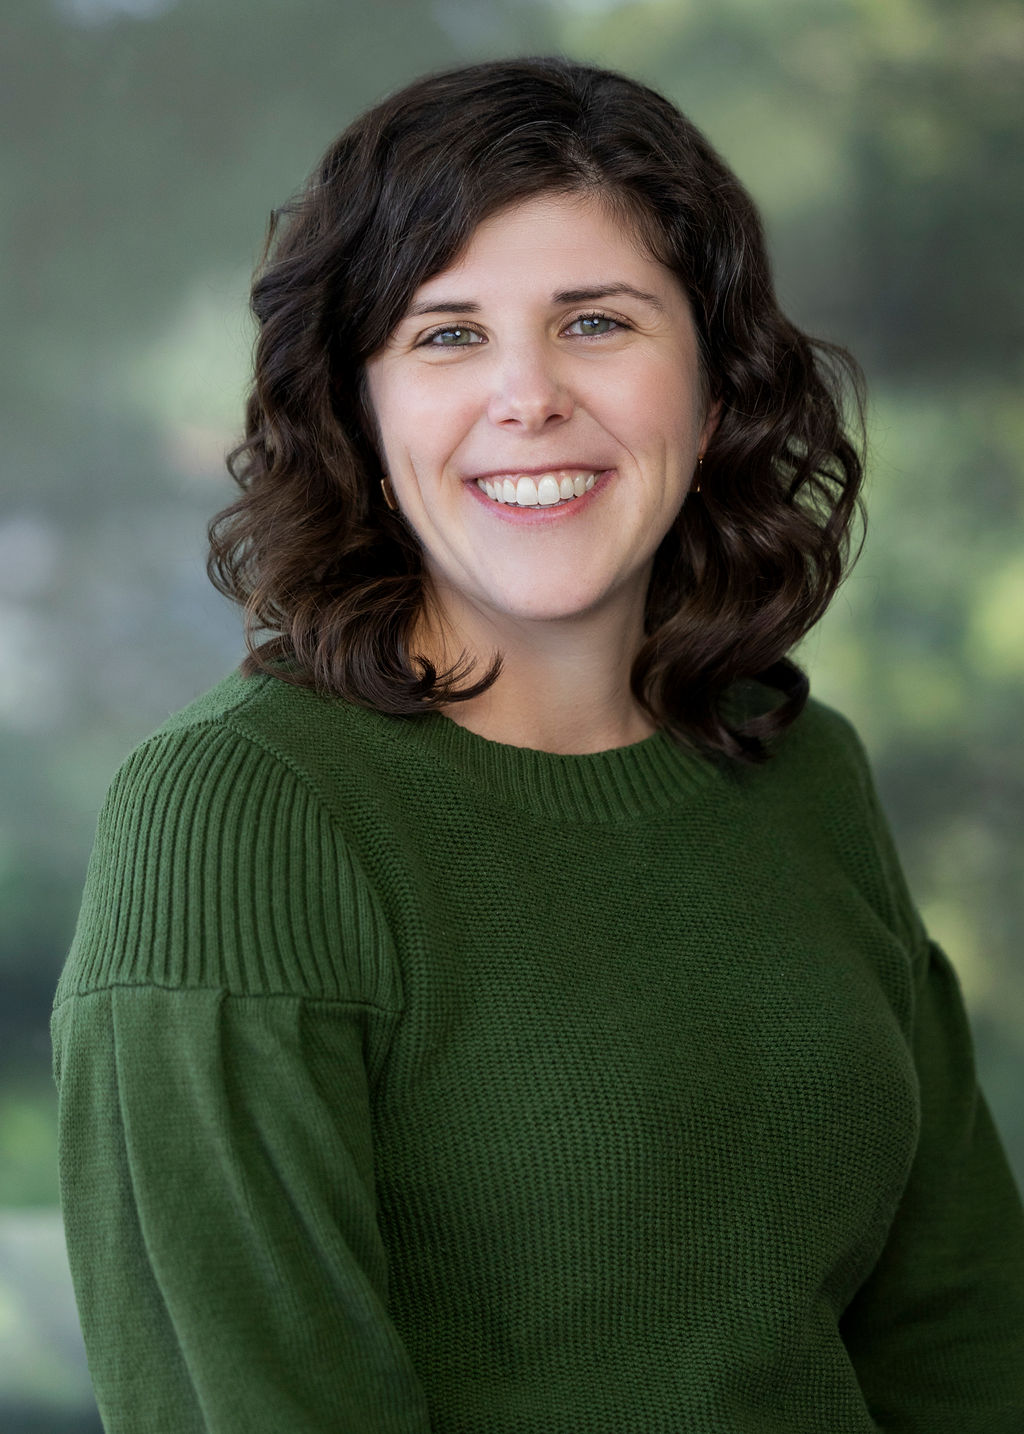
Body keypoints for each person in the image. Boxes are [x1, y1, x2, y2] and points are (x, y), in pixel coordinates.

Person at [52, 55, 1024, 1433]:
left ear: (713, 383)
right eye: (447, 335)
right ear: (364, 414)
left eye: (597, 322)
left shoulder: (802, 769)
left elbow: (964, 1330)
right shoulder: (240, 813)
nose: (529, 396)